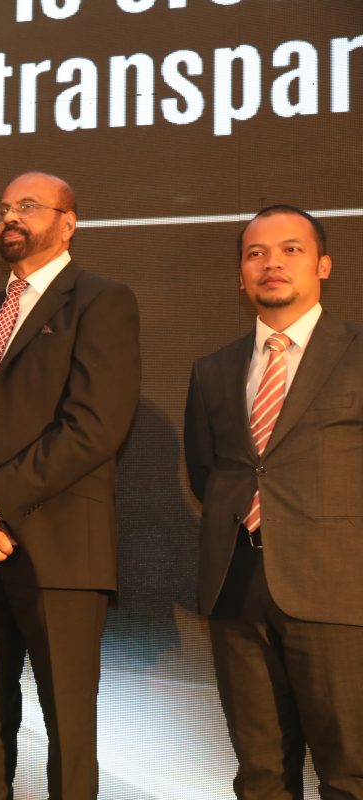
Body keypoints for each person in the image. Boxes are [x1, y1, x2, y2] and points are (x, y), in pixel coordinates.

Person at [0, 172, 140, 799]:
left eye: (27, 206)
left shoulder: (102, 301)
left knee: (68, 737)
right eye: (3, 209)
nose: (10, 218)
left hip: (60, 552)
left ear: (68, 223)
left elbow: (94, 428)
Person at [184, 205, 363, 799]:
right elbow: (207, 472)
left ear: (324, 265)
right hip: (236, 588)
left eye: (291, 250)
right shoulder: (212, 370)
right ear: (241, 275)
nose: (271, 263)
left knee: (350, 773)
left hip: (338, 594)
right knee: (260, 777)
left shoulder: (356, 352)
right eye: (255, 253)